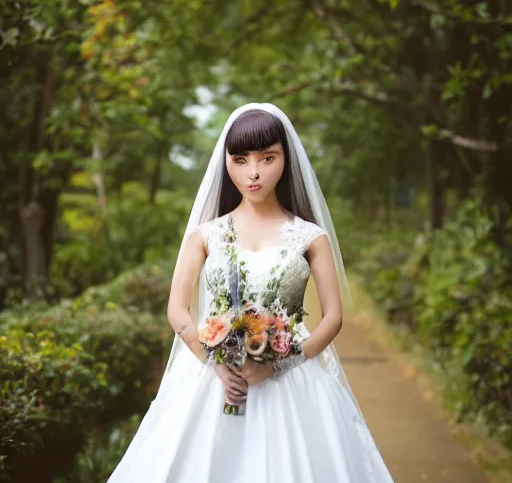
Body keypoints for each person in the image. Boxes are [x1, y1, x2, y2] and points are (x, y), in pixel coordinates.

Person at [107, 103, 395, 482]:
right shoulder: (206, 235)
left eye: (267, 158)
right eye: (240, 159)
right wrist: (215, 363)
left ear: (285, 159)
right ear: (226, 162)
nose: (254, 172)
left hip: (293, 380)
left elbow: (333, 318)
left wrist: (282, 364)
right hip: (211, 383)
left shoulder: (310, 236)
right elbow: (177, 309)